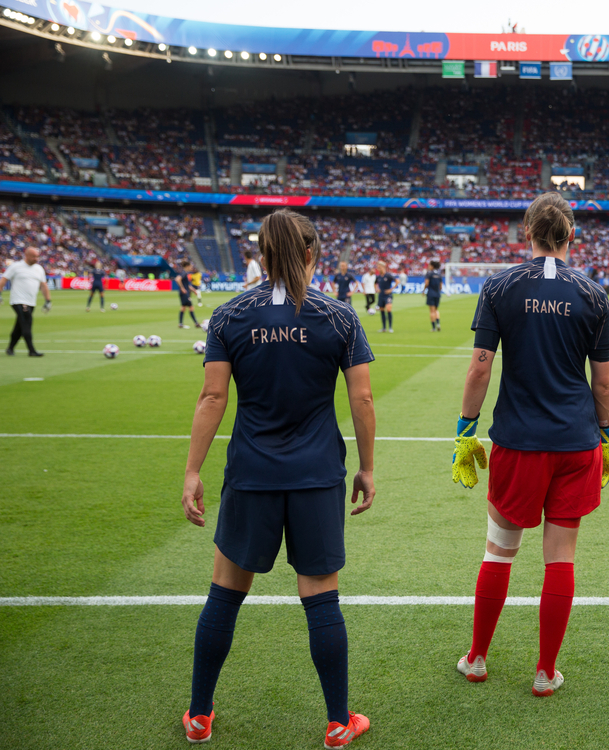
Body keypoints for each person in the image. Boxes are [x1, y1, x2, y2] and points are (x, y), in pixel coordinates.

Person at [179, 209, 376, 747]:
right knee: (320, 596)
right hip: (316, 476)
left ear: (260, 256)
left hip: (251, 474)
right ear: (313, 254)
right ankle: (339, 722)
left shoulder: (229, 316)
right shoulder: (338, 317)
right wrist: (367, 467)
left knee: (223, 595)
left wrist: (193, 472)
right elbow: (361, 396)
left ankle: (199, 716)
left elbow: (213, 397)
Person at [451, 192, 609, 698]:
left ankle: (477, 659)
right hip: (576, 442)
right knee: (559, 557)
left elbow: (481, 366)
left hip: (519, 442)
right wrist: (605, 436)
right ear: (571, 236)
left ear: (527, 235)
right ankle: (545, 672)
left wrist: (465, 429)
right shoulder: (592, 293)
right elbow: (603, 384)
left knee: (500, 552)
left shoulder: (500, 285)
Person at [2, 246, 51, 357]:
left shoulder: (39, 269)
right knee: (26, 323)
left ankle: (10, 348)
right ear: (27, 255)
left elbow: (43, 285)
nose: (36, 258)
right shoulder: (16, 267)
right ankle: (31, 350)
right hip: (18, 300)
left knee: (19, 326)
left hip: (31, 302)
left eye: (37, 256)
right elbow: (4, 279)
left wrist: (48, 300)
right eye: (34, 256)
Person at [177, 263, 201, 329]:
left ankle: (181, 323)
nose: (191, 267)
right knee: (191, 307)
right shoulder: (183, 273)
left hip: (184, 293)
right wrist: (182, 288)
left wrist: (193, 290)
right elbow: (177, 279)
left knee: (183, 307)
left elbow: (187, 285)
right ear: (187, 266)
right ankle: (196, 323)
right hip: (185, 293)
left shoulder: (185, 273)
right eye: (191, 266)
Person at [375, 261, 395, 333]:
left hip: (388, 295)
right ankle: (383, 328)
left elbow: (397, 281)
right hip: (381, 295)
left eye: (379, 268)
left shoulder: (388, 275)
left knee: (389, 309)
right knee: (382, 311)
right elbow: (375, 283)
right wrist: (377, 289)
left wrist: (391, 289)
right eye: (378, 268)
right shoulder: (379, 277)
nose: (378, 269)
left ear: (383, 267)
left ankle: (390, 327)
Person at [424, 260, 443, 332]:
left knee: (432, 311)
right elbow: (441, 286)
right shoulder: (439, 274)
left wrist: (423, 290)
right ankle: (438, 323)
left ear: (432, 266)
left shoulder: (429, 274)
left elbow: (426, 283)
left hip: (431, 294)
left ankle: (434, 328)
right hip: (437, 294)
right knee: (436, 310)